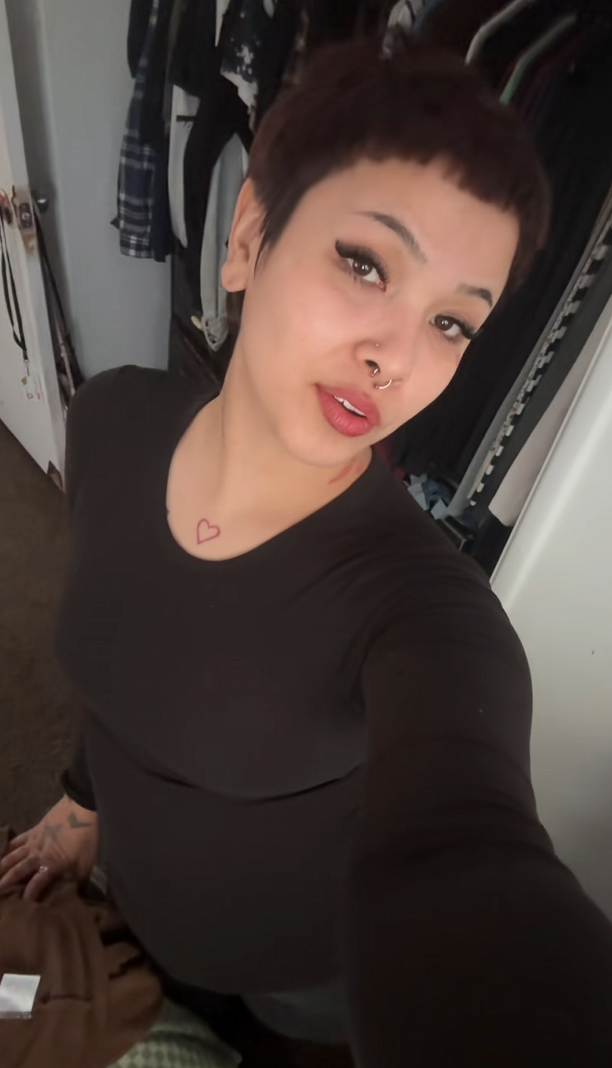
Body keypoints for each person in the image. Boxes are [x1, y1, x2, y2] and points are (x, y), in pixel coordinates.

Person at [2, 34, 612, 1067]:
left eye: (453, 325)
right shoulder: (110, 421)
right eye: (366, 264)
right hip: (136, 914)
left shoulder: (426, 614)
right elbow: (130, 648)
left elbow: (466, 854)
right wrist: (83, 797)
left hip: (311, 995)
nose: (397, 357)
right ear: (248, 235)